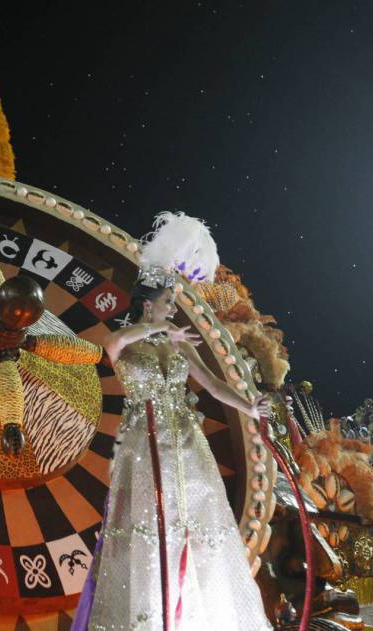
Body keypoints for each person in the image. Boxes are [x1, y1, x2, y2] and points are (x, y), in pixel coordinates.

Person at [73, 212, 271, 630]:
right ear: (149, 304)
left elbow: (215, 386)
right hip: (142, 449)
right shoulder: (127, 342)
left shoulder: (178, 344)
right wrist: (155, 330)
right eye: (168, 303)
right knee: (145, 530)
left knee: (198, 525)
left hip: (186, 443)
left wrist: (250, 407)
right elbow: (114, 343)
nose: (173, 310)